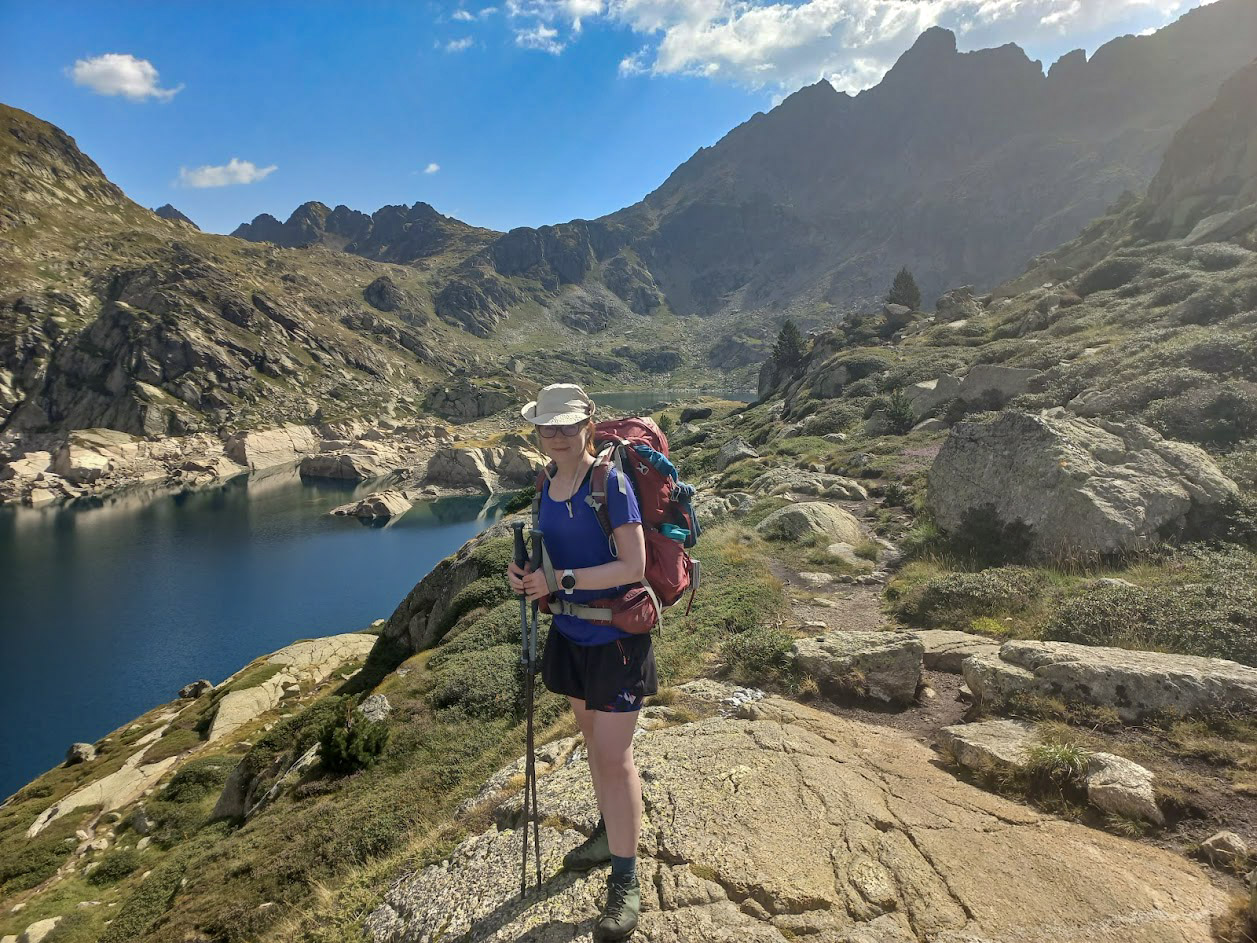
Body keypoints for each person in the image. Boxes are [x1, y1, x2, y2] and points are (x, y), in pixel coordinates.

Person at [507, 382, 656, 941]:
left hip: (616, 639)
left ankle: (625, 878)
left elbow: (633, 566)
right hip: (570, 634)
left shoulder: (609, 482)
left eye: (568, 426)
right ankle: (608, 833)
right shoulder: (545, 483)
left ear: (587, 426)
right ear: (537, 432)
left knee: (614, 758)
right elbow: (549, 557)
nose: (558, 436)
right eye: (548, 427)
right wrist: (525, 576)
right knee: (594, 745)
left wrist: (560, 581)